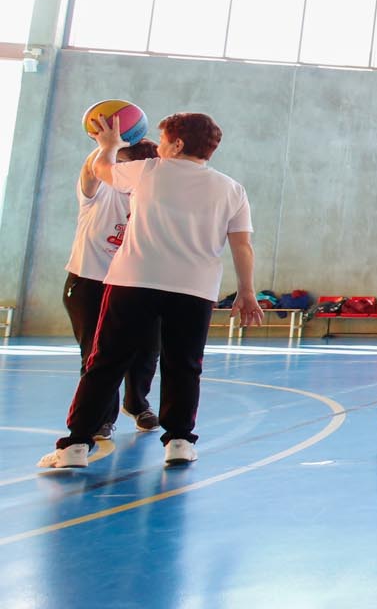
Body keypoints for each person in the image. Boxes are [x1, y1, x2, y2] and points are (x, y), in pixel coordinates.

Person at [39, 113, 262, 472]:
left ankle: (75, 445)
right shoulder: (232, 188)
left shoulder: (149, 171)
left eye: (162, 140)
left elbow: (102, 170)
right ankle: (179, 443)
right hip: (194, 288)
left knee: (105, 363)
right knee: (184, 366)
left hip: (135, 282)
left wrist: (108, 146)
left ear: (176, 144)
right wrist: (247, 292)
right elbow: (242, 246)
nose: (157, 147)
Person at [61, 136, 162, 438]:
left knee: (147, 349)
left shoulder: (152, 202)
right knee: (97, 353)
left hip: (134, 284)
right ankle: (102, 415)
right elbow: (92, 169)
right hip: (89, 283)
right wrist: (110, 143)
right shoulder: (99, 192)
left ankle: (136, 403)